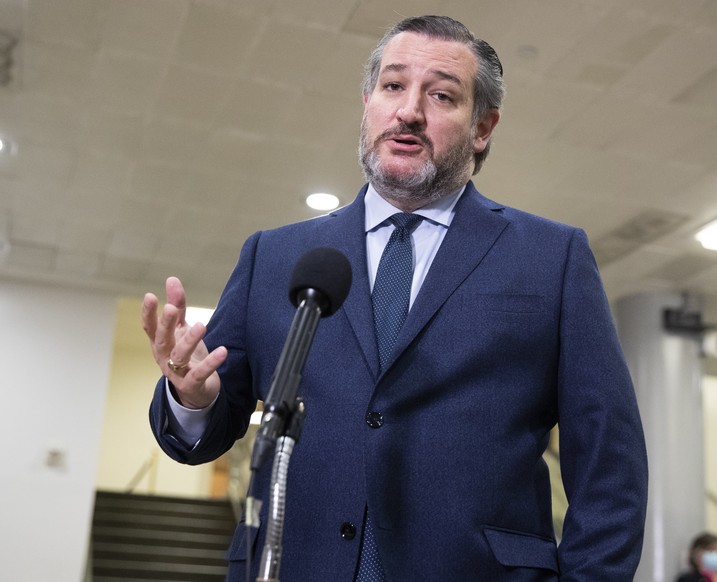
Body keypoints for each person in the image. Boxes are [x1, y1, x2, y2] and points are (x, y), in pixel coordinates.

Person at [142, 15, 647, 582]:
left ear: (483, 127)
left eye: (441, 95)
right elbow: (206, 430)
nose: (409, 110)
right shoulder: (276, 256)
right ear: (367, 105)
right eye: (392, 86)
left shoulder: (552, 259)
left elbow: (609, 460)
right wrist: (192, 399)